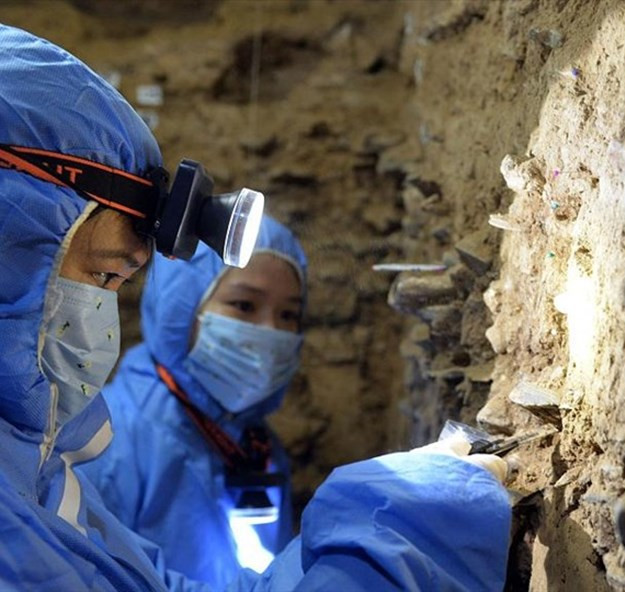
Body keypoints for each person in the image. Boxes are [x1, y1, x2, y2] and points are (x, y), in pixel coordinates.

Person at [0, 23, 511, 591]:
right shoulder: (109, 455)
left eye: (117, 282)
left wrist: (382, 520)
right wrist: (395, 546)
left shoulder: (36, 471)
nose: (99, 310)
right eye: (100, 273)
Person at [80, 215, 308, 585]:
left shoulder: (257, 447)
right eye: (244, 305)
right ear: (182, 307)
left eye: (289, 314)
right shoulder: (105, 436)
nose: (272, 331)